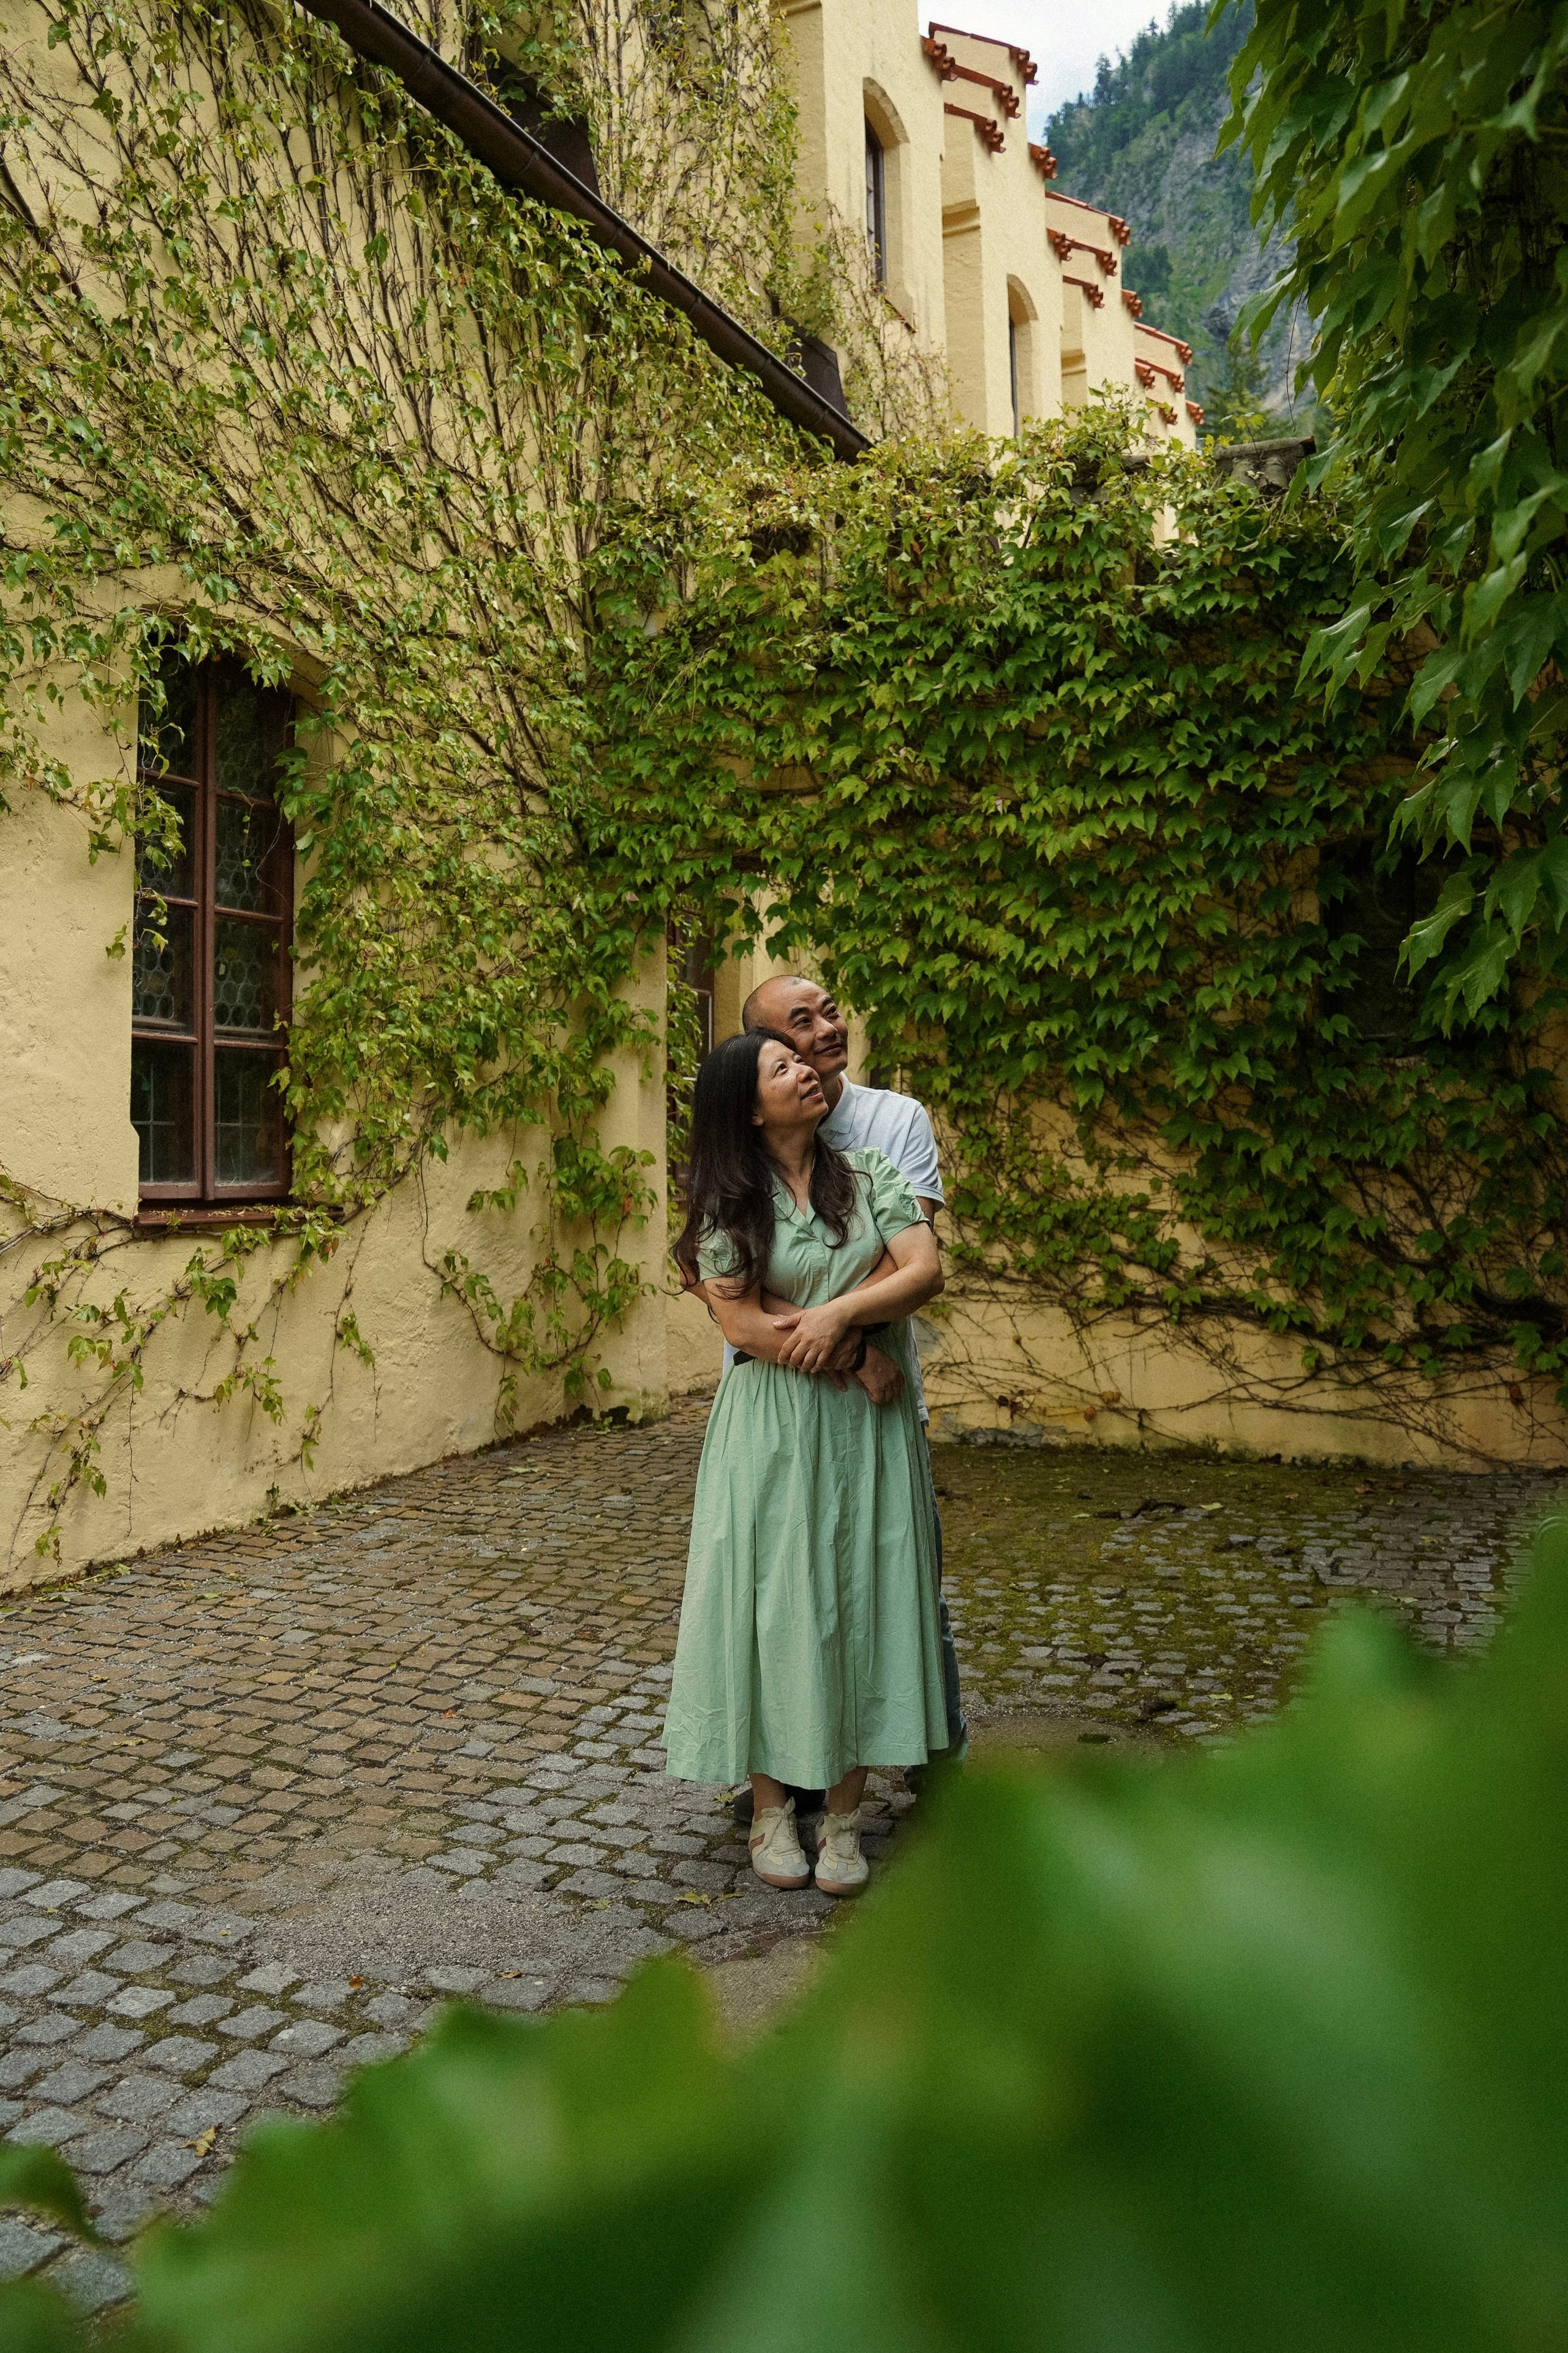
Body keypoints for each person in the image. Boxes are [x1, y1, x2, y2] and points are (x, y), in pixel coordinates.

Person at [663, 1027, 949, 1897]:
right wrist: (856, 1351)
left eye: (803, 1062)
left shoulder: (868, 1176)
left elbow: (923, 1269)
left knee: (866, 1592)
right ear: (748, 1108)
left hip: (867, 1434)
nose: (807, 1071)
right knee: (771, 1600)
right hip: (774, 1425)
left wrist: (837, 1316)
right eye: (782, 1068)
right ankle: (771, 1809)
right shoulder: (726, 1202)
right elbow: (741, 1324)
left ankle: (848, 1818)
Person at [734, 975, 968, 1786]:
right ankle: (788, 1772)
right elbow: (723, 1287)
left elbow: (899, 1252)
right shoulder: (739, 1161)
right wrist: (845, 1347)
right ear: (762, 1055)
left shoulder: (891, 1124)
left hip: (877, 1403)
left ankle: (926, 1756)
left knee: (899, 1581)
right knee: (785, 1586)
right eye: (800, 1025)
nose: (827, 1029)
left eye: (830, 1009)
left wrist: (839, 1325)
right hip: (784, 1389)